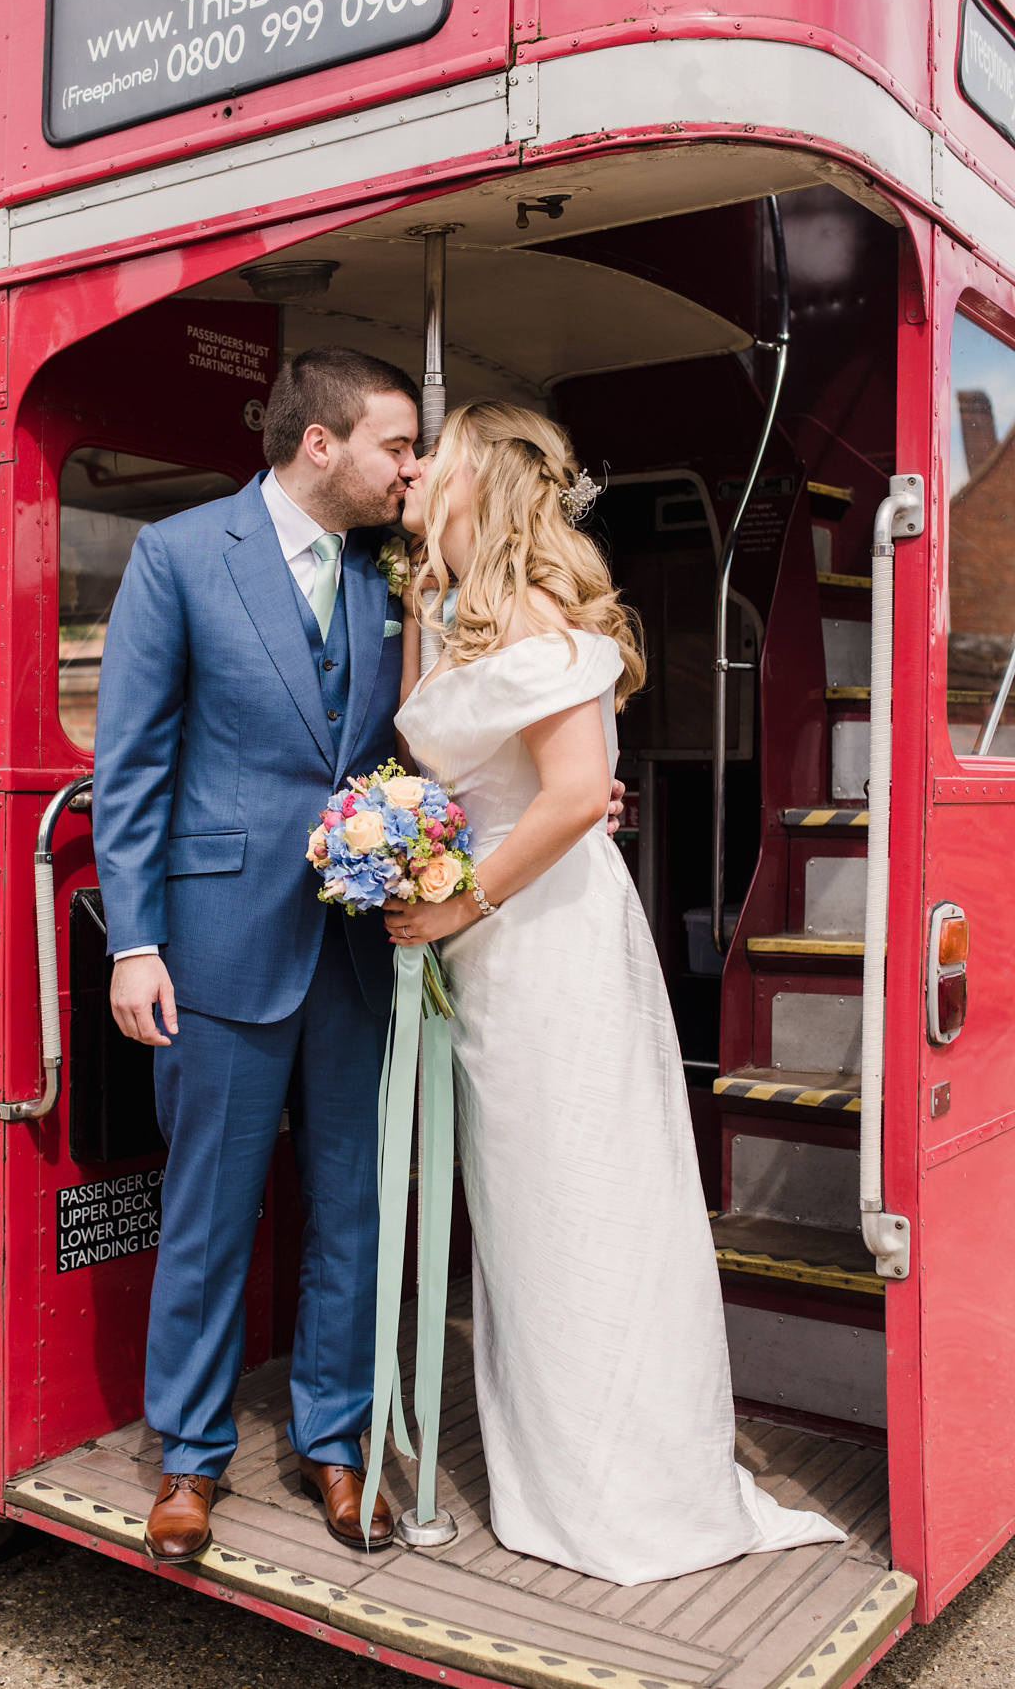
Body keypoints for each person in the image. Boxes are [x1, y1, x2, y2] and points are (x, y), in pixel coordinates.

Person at [387, 402, 845, 1585]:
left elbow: (577, 794)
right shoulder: (450, 610)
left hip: (542, 943)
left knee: (578, 1196)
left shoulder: (537, 615)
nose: (418, 465)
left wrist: (450, 904)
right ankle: (559, 1465)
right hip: (494, 936)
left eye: (434, 451)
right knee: (525, 1209)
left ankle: (620, 1486)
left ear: (481, 478)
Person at [93, 347, 422, 1561]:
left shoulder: (391, 573)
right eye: (396, 443)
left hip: (355, 946)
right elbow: (129, 767)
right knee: (208, 1213)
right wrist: (137, 941)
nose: (412, 466)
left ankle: (338, 1446)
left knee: (350, 1208)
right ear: (320, 442)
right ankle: (189, 1457)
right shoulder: (180, 555)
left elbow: (413, 744)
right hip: (219, 940)